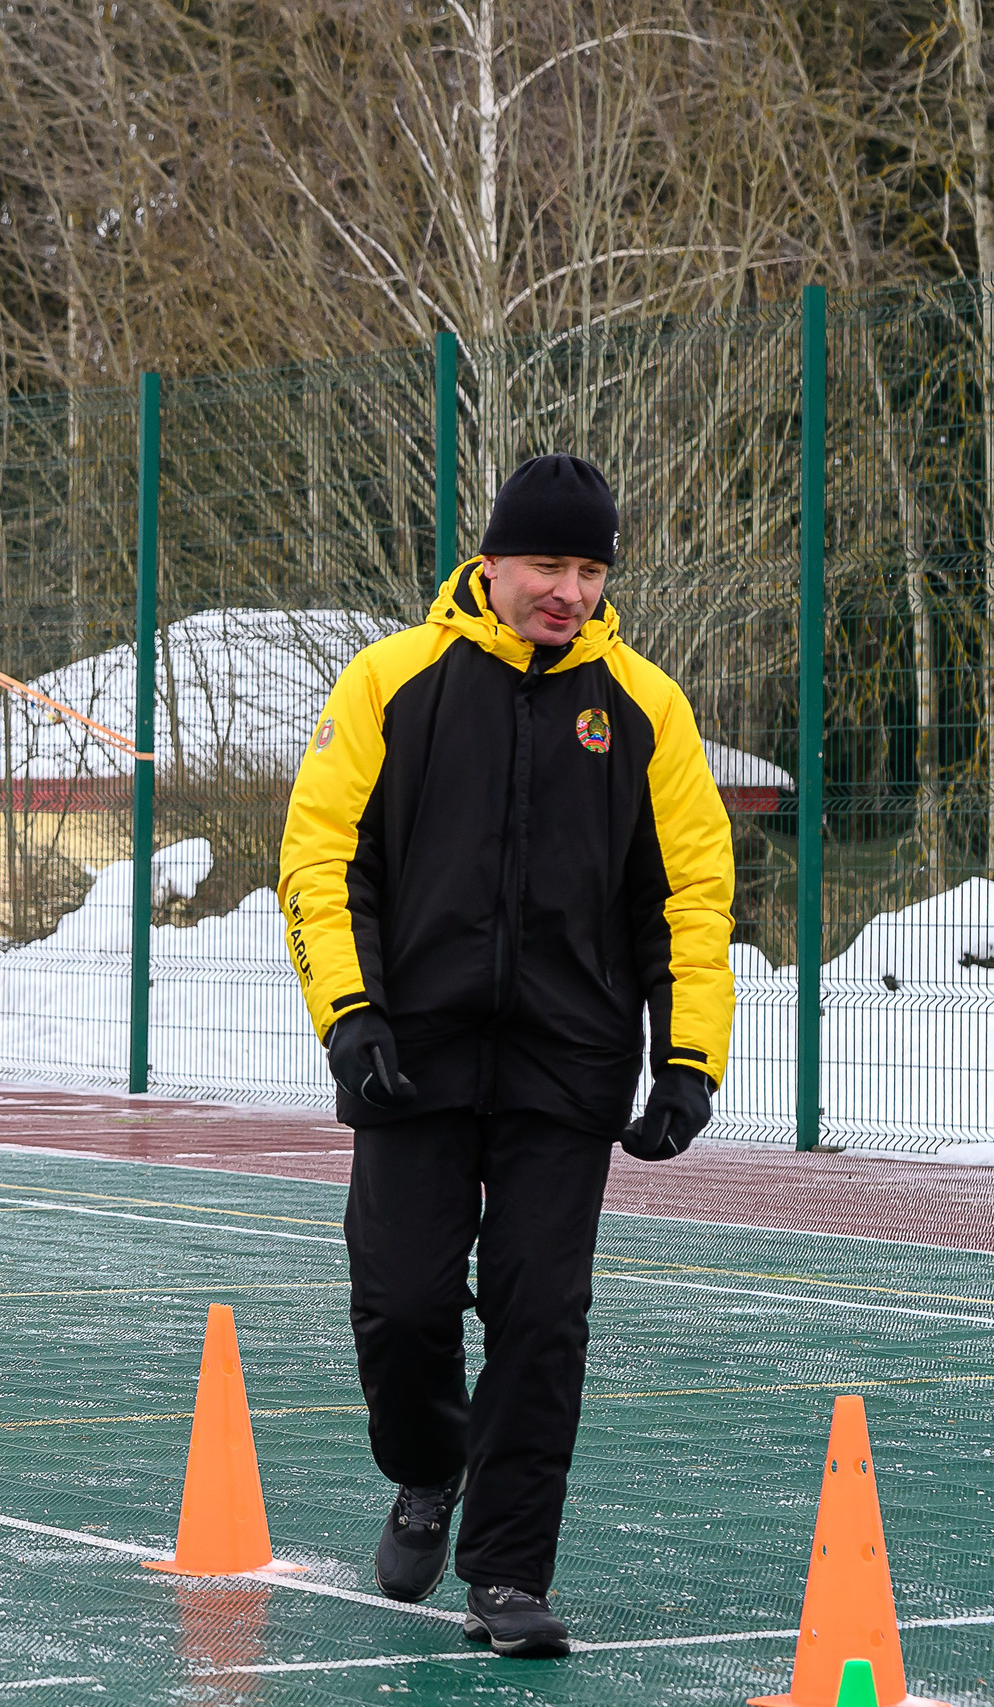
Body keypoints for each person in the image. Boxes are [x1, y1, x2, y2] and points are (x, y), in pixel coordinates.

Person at [277, 455, 735, 1657]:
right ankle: (426, 1467)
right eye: (546, 564)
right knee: (403, 1306)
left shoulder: (644, 709)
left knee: (540, 1321)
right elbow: (321, 862)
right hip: (410, 1057)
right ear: (488, 563)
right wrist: (351, 1015)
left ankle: (509, 1575)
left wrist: (687, 1060)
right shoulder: (389, 681)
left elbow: (688, 895)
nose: (567, 591)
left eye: (589, 569)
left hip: (566, 1069)